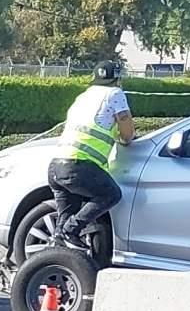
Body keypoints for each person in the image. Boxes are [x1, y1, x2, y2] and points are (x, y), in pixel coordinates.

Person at [47, 59, 134, 255]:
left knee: (63, 226)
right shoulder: (115, 93)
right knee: (111, 194)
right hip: (79, 166)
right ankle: (70, 231)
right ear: (117, 79)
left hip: (56, 167)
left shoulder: (83, 97)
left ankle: (58, 256)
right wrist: (127, 138)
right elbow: (126, 127)